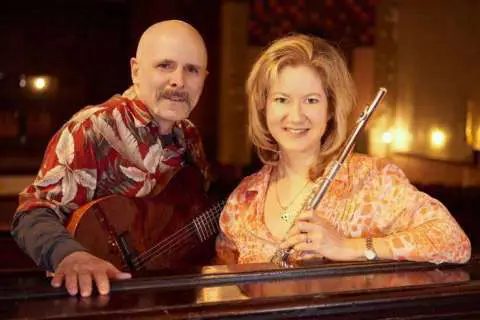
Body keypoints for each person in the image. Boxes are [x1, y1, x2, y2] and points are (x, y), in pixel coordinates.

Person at [215, 34, 471, 266]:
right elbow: (225, 283)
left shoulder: (373, 179)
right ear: (264, 107)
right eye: (282, 99)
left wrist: (348, 247)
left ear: (330, 110)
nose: (295, 116)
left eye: (311, 100)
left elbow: (453, 242)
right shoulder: (243, 200)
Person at [11, 20, 211, 297]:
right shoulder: (92, 129)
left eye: (192, 69)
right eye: (165, 65)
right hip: (96, 299)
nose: (179, 80)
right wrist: (70, 256)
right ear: (136, 71)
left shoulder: (189, 137)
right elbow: (31, 212)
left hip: (161, 294)